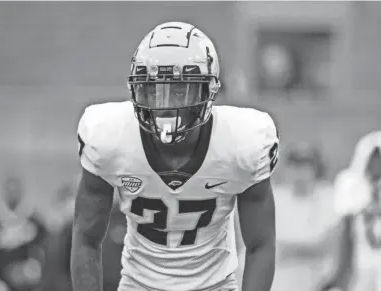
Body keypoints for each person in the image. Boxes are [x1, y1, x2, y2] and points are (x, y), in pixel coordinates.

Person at [71, 21, 279, 291]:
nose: (166, 104)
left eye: (181, 90)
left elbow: (261, 245)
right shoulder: (108, 137)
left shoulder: (243, 143)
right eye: (153, 90)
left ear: (209, 91)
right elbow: (86, 238)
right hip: (138, 285)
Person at [271, 144, 340, 291]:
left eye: (305, 167)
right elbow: (274, 246)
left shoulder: (328, 197)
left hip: (317, 281)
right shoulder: (277, 199)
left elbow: (325, 245)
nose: (300, 173)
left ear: (316, 170)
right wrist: (306, 248)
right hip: (282, 281)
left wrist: (294, 249)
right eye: (295, 167)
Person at [321, 131, 381, 291]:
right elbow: (344, 222)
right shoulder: (349, 183)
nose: (377, 164)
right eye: (373, 159)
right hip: (359, 256)